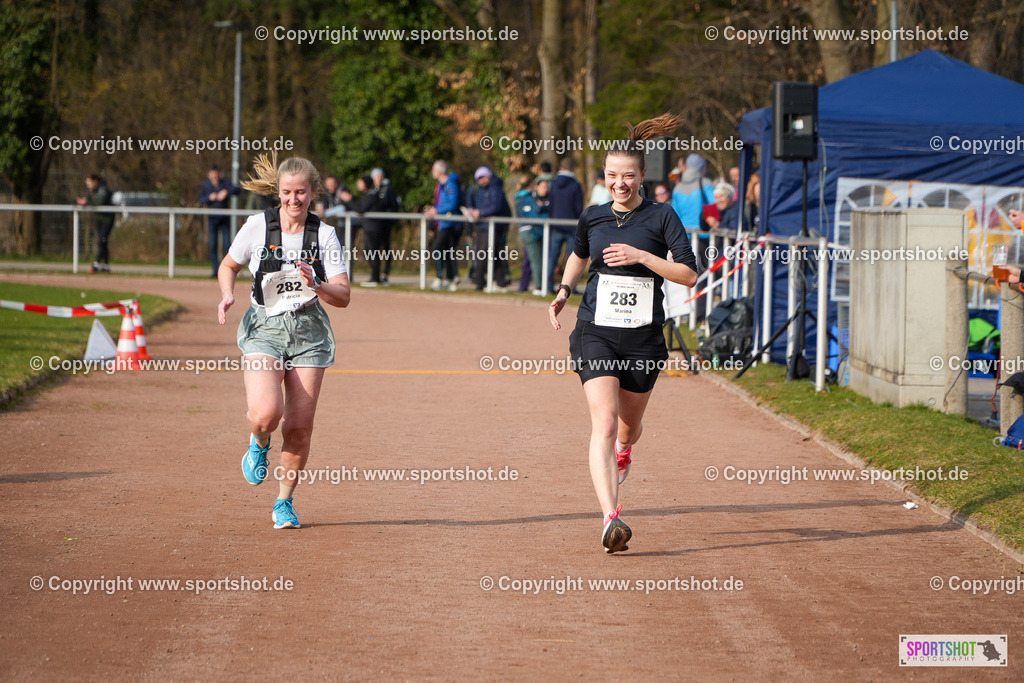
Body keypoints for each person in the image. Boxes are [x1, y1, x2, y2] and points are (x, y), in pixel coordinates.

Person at [548, 113, 699, 554]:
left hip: (644, 339)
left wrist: (641, 255)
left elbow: (688, 275)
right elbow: (578, 255)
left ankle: (624, 453)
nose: (620, 183)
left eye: (628, 176)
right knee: (605, 421)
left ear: (642, 177)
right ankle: (611, 517)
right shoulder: (592, 216)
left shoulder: (662, 216)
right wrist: (563, 290)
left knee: (627, 432)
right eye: (612, 175)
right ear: (605, 178)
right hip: (595, 330)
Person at [216, 154, 350, 530]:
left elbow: (343, 295)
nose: (294, 200)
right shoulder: (257, 226)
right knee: (266, 414)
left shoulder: (323, 235)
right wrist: (228, 293)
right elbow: (229, 265)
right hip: (265, 327)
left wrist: (317, 284)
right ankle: (258, 443)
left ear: (313, 193)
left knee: (299, 427)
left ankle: (284, 503)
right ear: (278, 192)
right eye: (288, 192)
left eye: (301, 193)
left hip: (309, 331)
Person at [339, 175, 395, 287]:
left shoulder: (371, 196)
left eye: (360, 182)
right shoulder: (368, 195)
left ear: (365, 184)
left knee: (372, 253)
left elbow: (360, 209)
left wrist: (349, 200)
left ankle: (375, 278)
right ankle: (375, 277)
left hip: (373, 228)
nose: (358, 185)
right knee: (368, 252)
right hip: (370, 228)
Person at [465, 166, 512, 291]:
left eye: (482, 177)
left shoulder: (495, 189)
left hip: (493, 227)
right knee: (492, 253)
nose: (481, 180)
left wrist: (481, 212)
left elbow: (496, 207)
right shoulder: (479, 189)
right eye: (478, 178)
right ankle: (498, 281)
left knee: (485, 253)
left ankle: (482, 280)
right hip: (482, 227)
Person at [424, 160, 462, 291]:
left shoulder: (450, 184)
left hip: (449, 222)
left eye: (434, 169)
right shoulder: (441, 185)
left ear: (440, 171)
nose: (432, 172)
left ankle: (440, 278)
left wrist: (437, 211)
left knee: (437, 247)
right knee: (447, 250)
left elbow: (452, 204)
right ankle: (451, 278)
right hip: (442, 222)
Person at [548, 158, 585, 292]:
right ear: (572, 169)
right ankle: (570, 287)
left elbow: (551, 205)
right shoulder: (576, 185)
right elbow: (578, 207)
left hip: (556, 224)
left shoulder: (553, 184)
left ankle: (547, 286)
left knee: (552, 257)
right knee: (573, 258)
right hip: (572, 225)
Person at [199, 165, 240, 277]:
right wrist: (209, 197)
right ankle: (215, 271)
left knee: (227, 244)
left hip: (225, 219)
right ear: (209, 174)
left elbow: (237, 190)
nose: (215, 177)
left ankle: (228, 270)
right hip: (212, 219)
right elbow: (200, 198)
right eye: (213, 175)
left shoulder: (225, 183)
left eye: (216, 174)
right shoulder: (206, 185)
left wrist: (226, 192)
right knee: (213, 245)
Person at [514, 174, 547, 295]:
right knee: (536, 260)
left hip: (523, 231)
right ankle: (539, 286)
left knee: (528, 260)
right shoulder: (528, 198)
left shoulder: (518, 198)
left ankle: (524, 286)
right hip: (531, 232)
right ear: (532, 185)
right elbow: (534, 214)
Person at [76, 174, 114, 273]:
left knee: (102, 239)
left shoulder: (103, 189)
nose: (87, 185)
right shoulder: (92, 190)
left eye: (89, 182)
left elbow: (99, 201)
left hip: (108, 218)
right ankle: (106, 266)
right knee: (102, 241)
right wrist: (82, 201)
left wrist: (87, 202)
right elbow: (88, 199)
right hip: (99, 218)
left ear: (95, 181)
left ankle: (96, 264)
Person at [371, 168, 401, 284]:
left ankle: (385, 274)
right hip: (375, 226)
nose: (378, 179)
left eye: (380, 176)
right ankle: (375, 274)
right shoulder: (372, 190)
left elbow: (394, 206)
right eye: (376, 176)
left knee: (386, 249)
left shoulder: (388, 190)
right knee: (374, 250)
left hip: (385, 225)